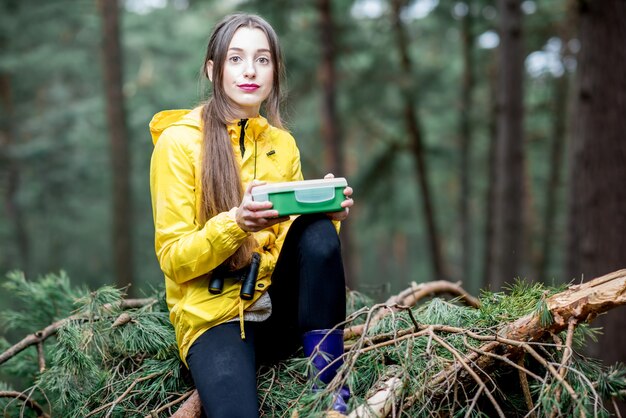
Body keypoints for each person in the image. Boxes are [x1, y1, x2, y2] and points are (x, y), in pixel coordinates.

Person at [149, 13, 354, 418]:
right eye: (236, 58)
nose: (250, 71)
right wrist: (236, 224)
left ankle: (330, 395)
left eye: (262, 60)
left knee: (316, 230)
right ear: (213, 69)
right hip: (216, 318)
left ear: (275, 71)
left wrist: (325, 212)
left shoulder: (283, 144)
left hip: (279, 312)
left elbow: (304, 251)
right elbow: (173, 257)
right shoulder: (178, 143)